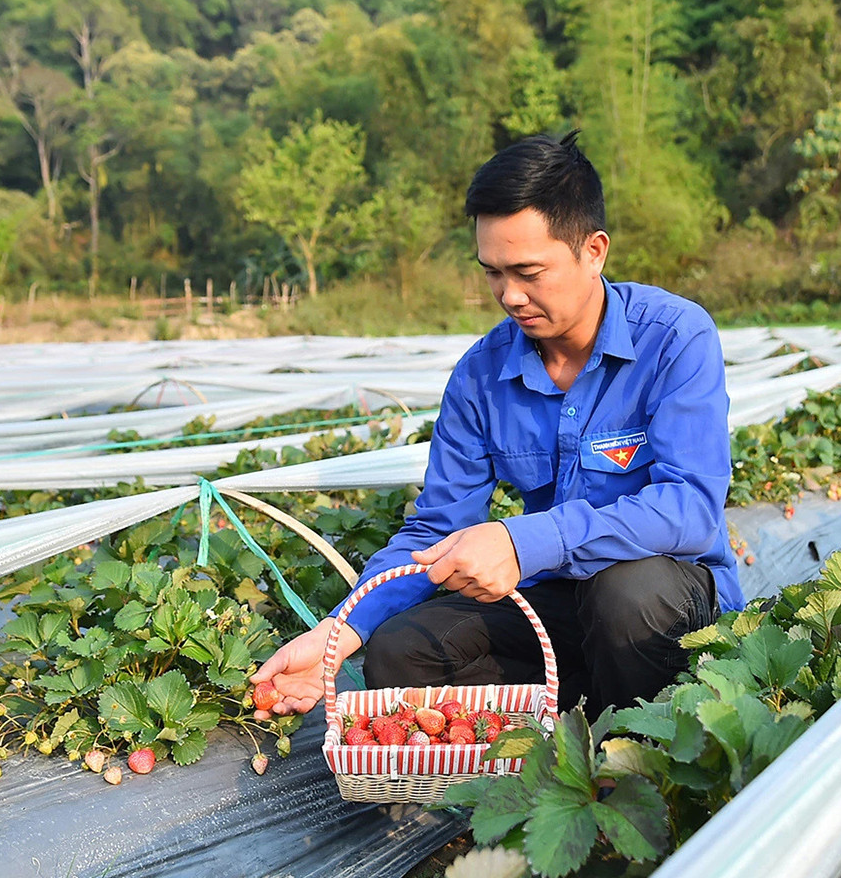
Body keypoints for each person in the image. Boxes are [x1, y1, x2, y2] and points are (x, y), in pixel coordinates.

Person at [250, 131, 741, 720]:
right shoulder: (481, 376)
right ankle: (530, 758)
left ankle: (641, 767)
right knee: (403, 651)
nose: (510, 295)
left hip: (663, 604)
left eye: (529, 271)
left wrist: (521, 540)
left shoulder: (674, 338)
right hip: (559, 603)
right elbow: (435, 528)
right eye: (492, 272)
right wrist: (337, 637)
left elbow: (689, 508)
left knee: (624, 596)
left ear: (594, 251)